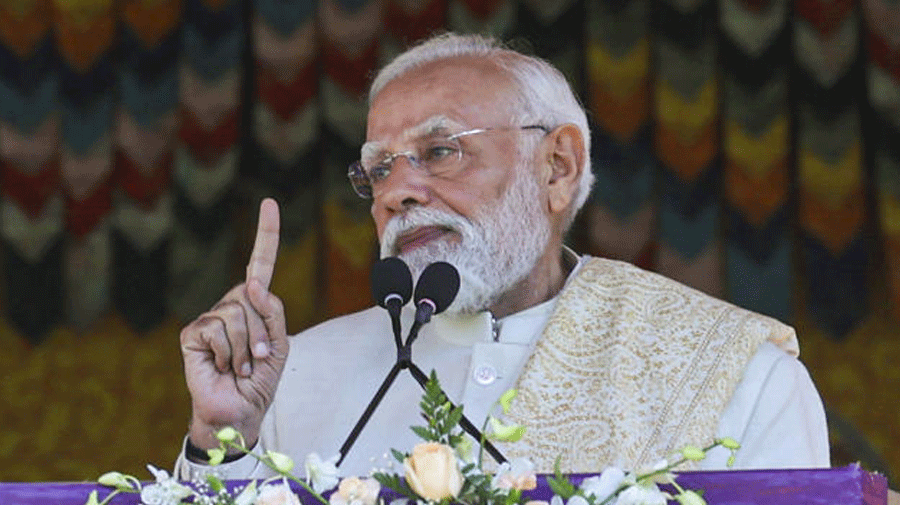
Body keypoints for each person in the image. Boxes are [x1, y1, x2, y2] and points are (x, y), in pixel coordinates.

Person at [175, 33, 829, 481]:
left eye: (439, 152)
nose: (398, 191)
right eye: (378, 170)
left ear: (557, 167)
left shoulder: (731, 373)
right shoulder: (294, 378)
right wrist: (221, 443)